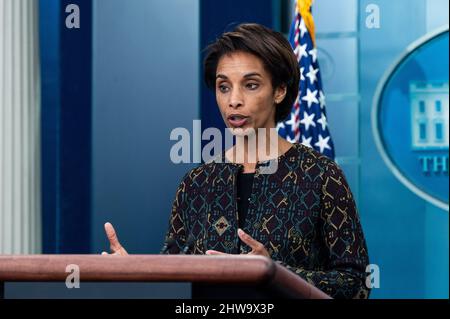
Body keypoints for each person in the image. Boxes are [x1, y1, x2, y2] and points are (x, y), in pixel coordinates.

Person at [102, 23, 370, 299]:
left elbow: (356, 285)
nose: (234, 100)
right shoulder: (196, 183)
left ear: (279, 90)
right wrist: (132, 273)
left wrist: (274, 272)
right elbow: (174, 278)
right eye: (223, 87)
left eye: (250, 85)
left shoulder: (322, 175)